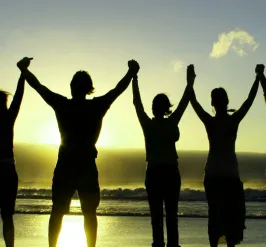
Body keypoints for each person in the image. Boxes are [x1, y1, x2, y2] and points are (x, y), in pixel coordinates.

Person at [16, 57, 139, 247]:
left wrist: (24, 70)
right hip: (85, 165)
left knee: (59, 210)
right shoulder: (95, 106)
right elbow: (117, 90)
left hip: (67, 164)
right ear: (89, 88)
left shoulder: (63, 104)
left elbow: (39, 87)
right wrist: (131, 73)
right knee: (88, 212)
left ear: (72, 87)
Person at [189, 65, 263, 247]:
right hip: (227, 174)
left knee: (216, 216)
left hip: (215, 175)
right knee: (230, 217)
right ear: (225, 102)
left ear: (213, 104)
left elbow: (193, 102)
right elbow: (249, 101)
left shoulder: (212, 121)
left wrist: (190, 81)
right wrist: (258, 77)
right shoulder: (231, 120)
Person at [132, 65, 196, 247]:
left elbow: (137, 103)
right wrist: (190, 81)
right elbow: (184, 101)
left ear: (155, 108)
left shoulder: (148, 125)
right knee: (170, 216)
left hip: (155, 172)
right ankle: (170, 245)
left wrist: (134, 78)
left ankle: (159, 244)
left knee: (157, 216)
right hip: (168, 172)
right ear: (166, 108)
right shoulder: (170, 122)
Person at [0, 72, 25, 247]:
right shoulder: (8, 118)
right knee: (7, 215)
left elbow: (17, 98)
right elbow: (19, 97)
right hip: (8, 170)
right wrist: (23, 74)